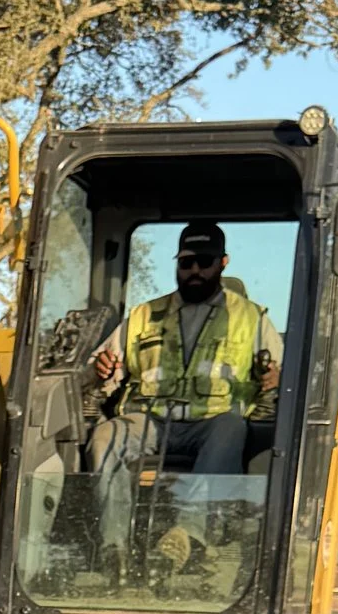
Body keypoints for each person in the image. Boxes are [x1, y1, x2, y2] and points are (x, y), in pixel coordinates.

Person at [91, 221, 281, 568]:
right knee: (106, 437)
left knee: (231, 429)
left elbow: (280, 372)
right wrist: (102, 369)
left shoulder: (251, 318)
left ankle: (187, 536)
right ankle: (112, 546)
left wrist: (274, 377)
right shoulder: (144, 315)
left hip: (212, 422)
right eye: (186, 262)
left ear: (223, 263)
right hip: (150, 421)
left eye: (204, 262)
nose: (194, 271)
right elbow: (106, 365)